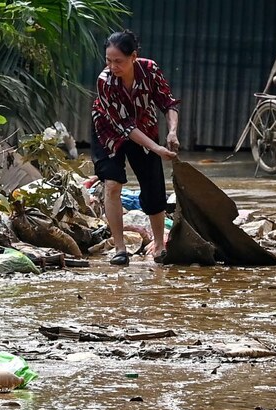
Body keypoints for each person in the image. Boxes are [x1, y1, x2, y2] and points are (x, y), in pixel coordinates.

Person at [91, 29, 180, 266]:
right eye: (108, 61)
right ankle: (120, 249)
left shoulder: (149, 70)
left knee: (153, 187)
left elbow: (167, 102)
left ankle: (160, 246)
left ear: (133, 57)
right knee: (112, 184)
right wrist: (157, 149)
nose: (113, 66)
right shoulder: (105, 81)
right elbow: (125, 126)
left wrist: (172, 131)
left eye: (118, 61)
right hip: (108, 130)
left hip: (145, 126)